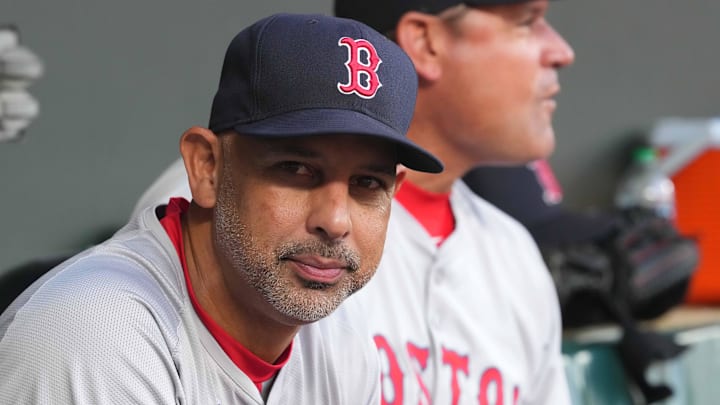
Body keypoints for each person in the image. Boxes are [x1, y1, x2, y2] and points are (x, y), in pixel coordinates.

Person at [129, 0, 575, 402]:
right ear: (425, 41)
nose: (561, 51)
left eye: (368, 182)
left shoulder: (512, 251)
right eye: (526, 22)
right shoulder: (212, 203)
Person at [0, 13, 442, 404]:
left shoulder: (340, 343)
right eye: (296, 169)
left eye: (367, 183)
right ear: (207, 167)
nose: (335, 220)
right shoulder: (93, 335)